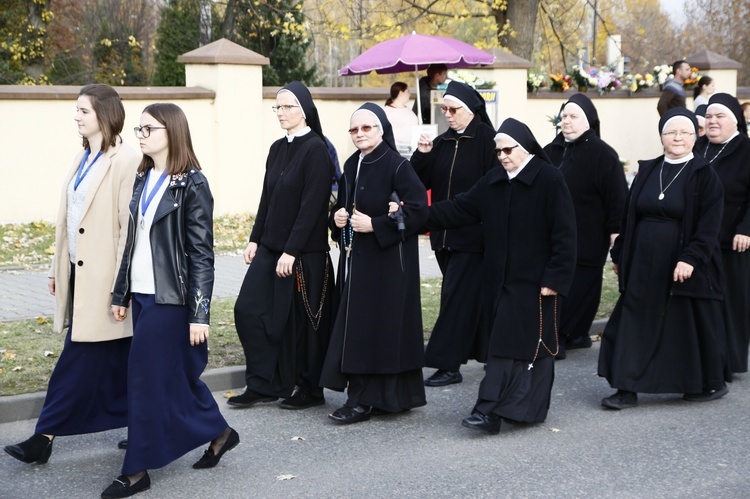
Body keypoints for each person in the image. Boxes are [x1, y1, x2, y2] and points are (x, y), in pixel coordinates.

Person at [105, 103, 238, 498]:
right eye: (138, 129)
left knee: (143, 379)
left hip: (172, 300)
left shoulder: (193, 184)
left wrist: (200, 314)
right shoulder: (144, 177)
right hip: (144, 295)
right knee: (170, 379)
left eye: (148, 128)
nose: (140, 135)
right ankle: (220, 432)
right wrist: (121, 292)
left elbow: (201, 254)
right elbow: (133, 242)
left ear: (172, 131)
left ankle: (137, 471)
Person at [4, 84, 139, 465]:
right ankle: (143, 424)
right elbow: (68, 221)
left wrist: (121, 287)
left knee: (75, 360)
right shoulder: (83, 158)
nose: (76, 116)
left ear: (105, 114)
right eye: (76, 111)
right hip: (78, 277)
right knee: (120, 363)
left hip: (105, 282)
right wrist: (55, 269)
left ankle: (42, 438)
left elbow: (127, 228)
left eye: (83, 110)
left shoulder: (125, 160)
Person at [426, 118, 576, 434]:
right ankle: (518, 410)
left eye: (508, 150)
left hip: (536, 283)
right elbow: (456, 209)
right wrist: (408, 217)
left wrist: (556, 278)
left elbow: (565, 234)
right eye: (498, 151)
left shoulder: (549, 179)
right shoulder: (494, 180)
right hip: (500, 281)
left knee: (529, 347)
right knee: (510, 346)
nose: (503, 156)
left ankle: (489, 411)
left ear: (526, 148)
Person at [598, 108, 729, 410]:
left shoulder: (704, 175)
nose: (678, 137)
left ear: (695, 136)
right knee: (632, 321)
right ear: (662, 138)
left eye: (685, 131)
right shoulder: (648, 169)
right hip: (642, 261)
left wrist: (690, 259)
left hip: (679, 262)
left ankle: (700, 383)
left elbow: (709, 226)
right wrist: (619, 255)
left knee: (682, 326)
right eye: (671, 132)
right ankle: (625, 387)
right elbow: (629, 215)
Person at [321, 103, 429, 424]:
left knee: (378, 330)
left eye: (366, 128)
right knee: (364, 329)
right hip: (357, 261)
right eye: (354, 130)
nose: (359, 134)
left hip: (388, 264)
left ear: (380, 129)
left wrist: (378, 224)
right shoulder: (352, 163)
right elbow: (344, 206)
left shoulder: (398, 165)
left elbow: (419, 210)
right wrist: (336, 218)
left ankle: (363, 401)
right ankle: (382, 398)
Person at [230, 81, 335, 410]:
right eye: (277, 107)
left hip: (303, 254)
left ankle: (309, 388)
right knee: (248, 310)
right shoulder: (277, 148)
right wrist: (254, 239)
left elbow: (311, 206)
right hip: (271, 249)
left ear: (304, 110)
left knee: (302, 324)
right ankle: (263, 383)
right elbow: (268, 199)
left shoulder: (317, 150)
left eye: (287, 106)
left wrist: (291, 250)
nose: (281, 112)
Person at [410, 80, 497, 387]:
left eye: (453, 108)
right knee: (474, 299)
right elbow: (417, 181)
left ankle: (447, 364)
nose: (447, 114)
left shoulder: (489, 140)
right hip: (443, 234)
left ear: (472, 109)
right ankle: (493, 355)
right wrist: (422, 154)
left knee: (454, 298)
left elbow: (492, 189)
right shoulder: (443, 142)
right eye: (443, 108)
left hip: (474, 236)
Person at [543, 94, 627, 358]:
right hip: (553, 236)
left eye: (573, 116)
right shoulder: (550, 151)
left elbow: (617, 200)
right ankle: (570, 334)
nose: (566, 121)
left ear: (588, 120)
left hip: (588, 236)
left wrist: (617, 236)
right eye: (564, 116)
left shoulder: (603, 154)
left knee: (580, 289)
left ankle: (565, 335)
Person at [696, 93, 750, 374]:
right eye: (708, 116)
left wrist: (746, 229)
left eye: (719, 116)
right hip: (699, 241)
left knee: (732, 303)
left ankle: (731, 359)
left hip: (733, 241)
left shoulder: (746, 149)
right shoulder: (699, 147)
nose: (712, 121)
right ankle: (705, 356)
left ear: (735, 122)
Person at [383, 81, 419, 153]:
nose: (410, 94)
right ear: (401, 93)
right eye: (408, 92)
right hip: (396, 151)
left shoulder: (407, 109)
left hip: (412, 150)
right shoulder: (387, 111)